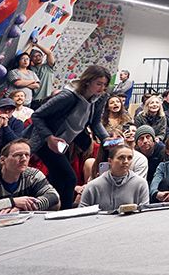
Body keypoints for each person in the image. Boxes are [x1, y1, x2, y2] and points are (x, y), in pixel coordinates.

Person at [27, 65, 111, 210]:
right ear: (87, 81)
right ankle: (64, 212)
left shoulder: (99, 98)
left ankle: (51, 207)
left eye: (105, 85)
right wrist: (49, 137)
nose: (101, 88)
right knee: (69, 177)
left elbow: (95, 122)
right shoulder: (67, 96)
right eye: (98, 84)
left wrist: (106, 138)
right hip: (46, 141)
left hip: (64, 142)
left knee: (57, 177)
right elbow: (37, 115)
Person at [79, 143, 149, 211]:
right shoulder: (93, 186)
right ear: (110, 161)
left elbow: (144, 215)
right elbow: (81, 214)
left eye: (129, 158)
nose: (126, 161)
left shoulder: (141, 184)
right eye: (121, 157)